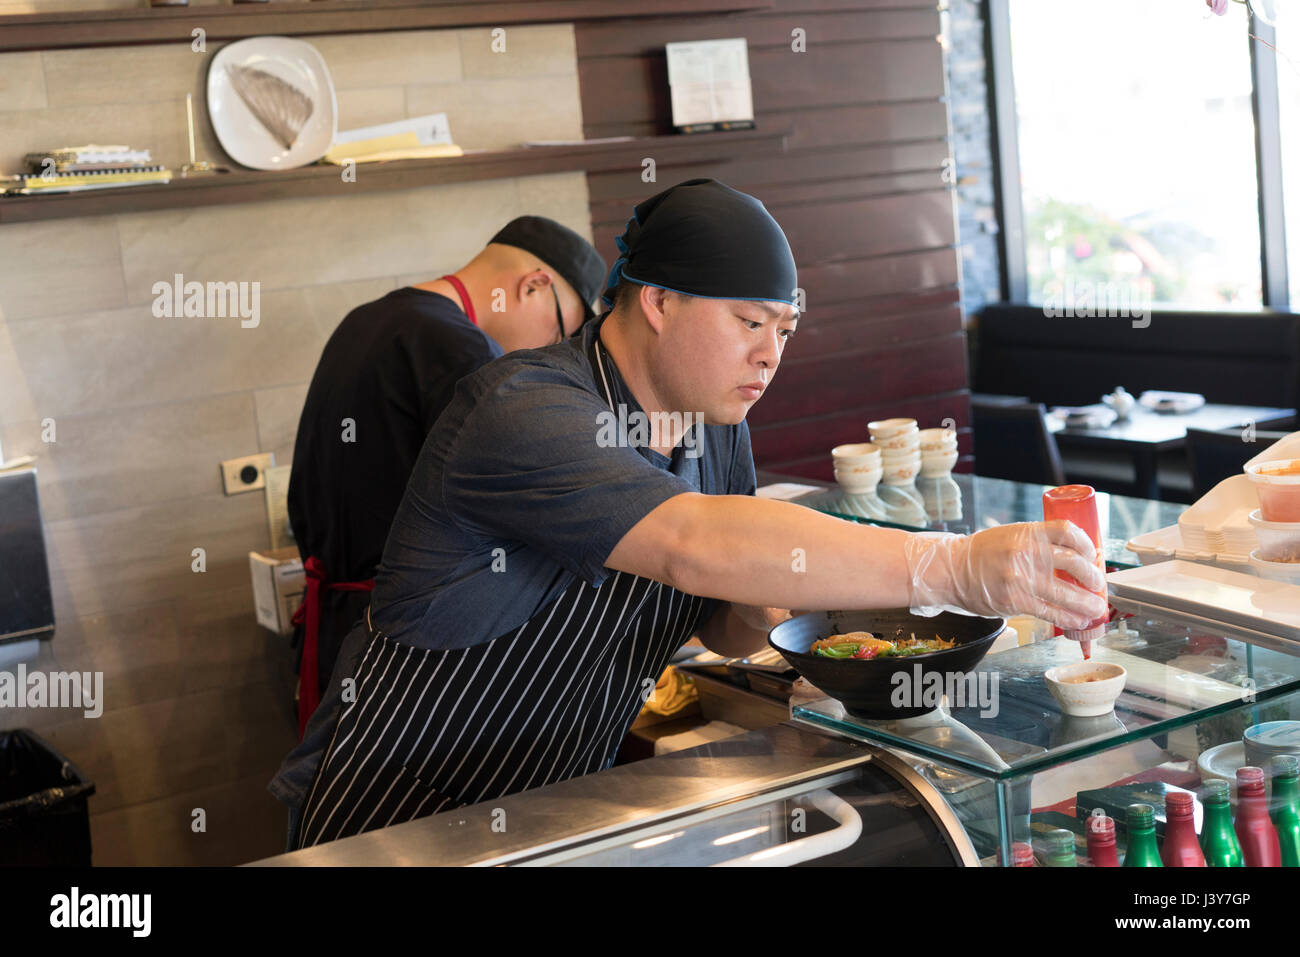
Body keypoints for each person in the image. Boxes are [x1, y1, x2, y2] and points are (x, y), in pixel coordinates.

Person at [270, 178, 1106, 851]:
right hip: (405, 818)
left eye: (784, 328)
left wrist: (770, 603)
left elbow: (721, 619)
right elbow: (690, 543)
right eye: (749, 322)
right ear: (658, 301)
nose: (770, 353)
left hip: (558, 806)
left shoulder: (714, 430)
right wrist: (954, 564)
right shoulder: (521, 410)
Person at [285, 217, 605, 739]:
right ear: (533, 285)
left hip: (341, 636)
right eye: (561, 329)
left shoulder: (369, 318)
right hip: (399, 654)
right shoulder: (461, 349)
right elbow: (529, 509)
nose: (552, 346)